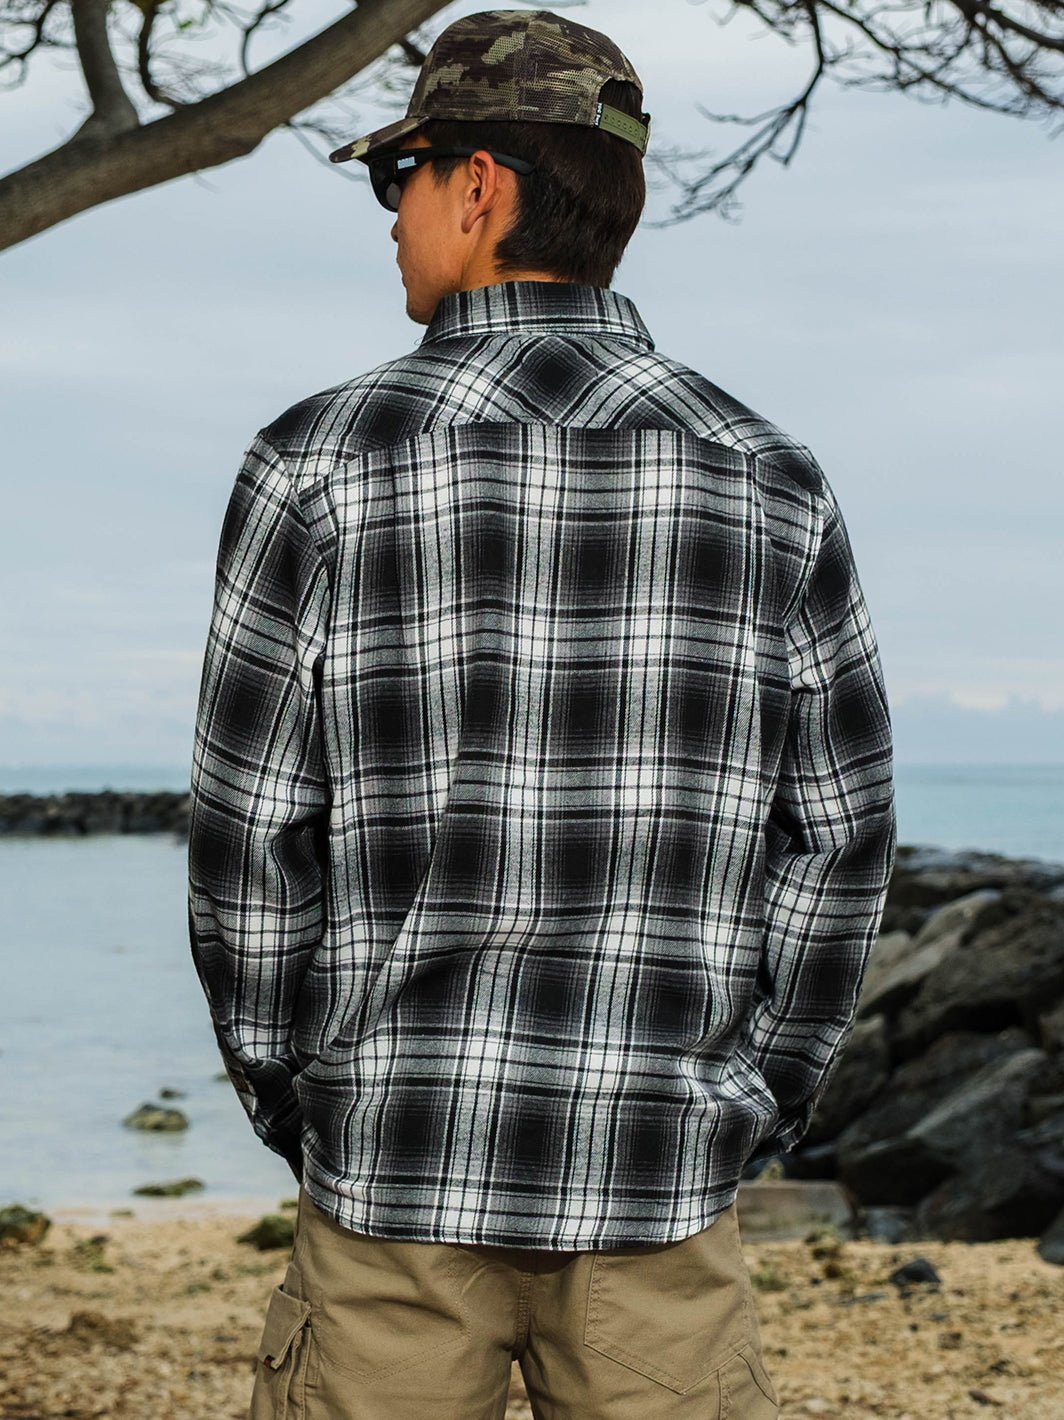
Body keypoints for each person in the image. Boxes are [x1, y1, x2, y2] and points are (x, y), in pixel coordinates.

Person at [188, 9, 895, 1418]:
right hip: (660, 1176)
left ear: (478, 186)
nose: (390, 217)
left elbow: (249, 841)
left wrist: (301, 1095)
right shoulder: (770, 474)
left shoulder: (314, 462)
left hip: (392, 1176)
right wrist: (752, 1102)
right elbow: (840, 839)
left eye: (397, 177)